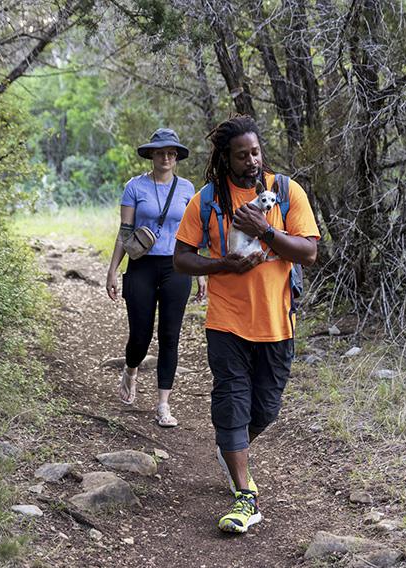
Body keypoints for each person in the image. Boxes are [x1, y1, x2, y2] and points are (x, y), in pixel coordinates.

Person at [173, 116, 319, 533]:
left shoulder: (286, 193)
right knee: (232, 405)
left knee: (265, 411)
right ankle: (245, 495)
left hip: (277, 322)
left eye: (255, 152)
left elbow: (308, 253)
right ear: (226, 158)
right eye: (242, 155)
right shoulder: (207, 199)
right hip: (227, 322)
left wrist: (264, 231)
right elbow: (181, 258)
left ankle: (231, 446)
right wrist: (223, 265)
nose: (251, 161)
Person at [105, 128, 206, 427]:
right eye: (160, 152)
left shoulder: (188, 189)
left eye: (171, 153)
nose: (166, 157)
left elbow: (193, 233)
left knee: (170, 337)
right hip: (141, 267)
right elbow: (125, 233)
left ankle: (163, 404)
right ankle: (131, 368)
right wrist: (112, 270)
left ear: (176, 157)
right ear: (151, 155)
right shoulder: (135, 187)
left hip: (177, 267)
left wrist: (201, 272)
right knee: (140, 335)